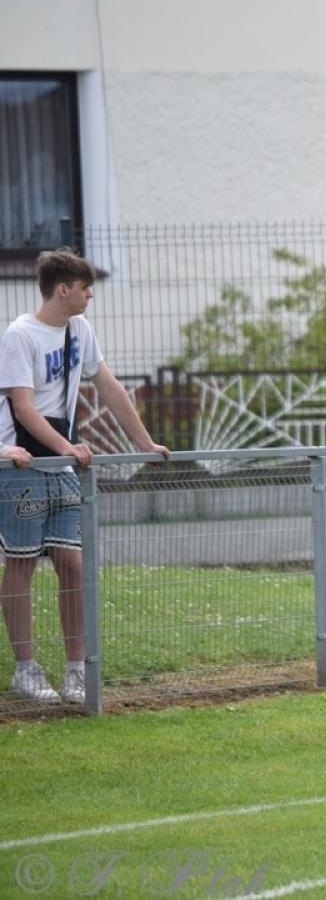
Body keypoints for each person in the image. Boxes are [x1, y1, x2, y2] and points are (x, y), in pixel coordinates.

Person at [1, 248, 170, 705]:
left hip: (63, 460)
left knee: (71, 563)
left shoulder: (80, 330)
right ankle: (26, 669)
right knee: (21, 562)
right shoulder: (20, 335)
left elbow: (109, 387)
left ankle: (77, 670)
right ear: (63, 289)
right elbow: (23, 406)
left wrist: (143, 442)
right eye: (85, 287)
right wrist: (65, 448)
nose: (91, 294)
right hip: (22, 462)